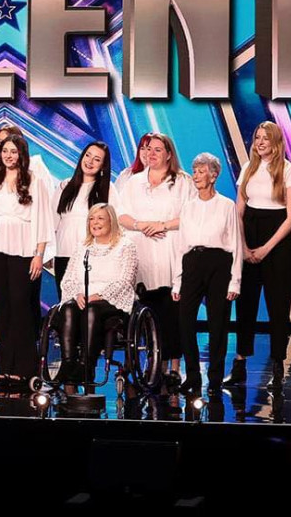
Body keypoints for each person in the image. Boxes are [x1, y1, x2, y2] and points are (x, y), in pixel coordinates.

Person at [0, 134, 51, 385]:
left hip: (24, 249)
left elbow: (42, 218)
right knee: (3, 308)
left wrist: (39, 254)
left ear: (22, 154)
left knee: (20, 307)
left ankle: (26, 367)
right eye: (5, 150)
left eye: (13, 151)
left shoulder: (34, 180)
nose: (8, 155)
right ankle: (5, 366)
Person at [230, 121, 291, 385]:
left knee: (277, 305)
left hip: (277, 241)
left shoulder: (288, 169)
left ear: (276, 142)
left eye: (265, 138)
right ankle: (240, 362)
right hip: (249, 234)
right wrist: (245, 246)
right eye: (257, 137)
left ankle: (278, 366)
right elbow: (239, 210)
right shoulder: (248, 168)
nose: (260, 142)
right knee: (245, 303)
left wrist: (265, 248)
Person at [118, 132, 194, 378]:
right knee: (145, 307)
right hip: (141, 251)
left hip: (170, 250)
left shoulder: (183, 181)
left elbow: (192, 217)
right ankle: (151, 362)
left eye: (158, 150)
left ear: (169, 154)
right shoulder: (133, 182)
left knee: (172, 310)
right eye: (149, 149)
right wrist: (142, 225)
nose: (151, 153)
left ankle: (173, 366)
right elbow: (121, 216)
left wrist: (162, 224)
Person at [172, 153, 242, 396]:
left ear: (214, 175)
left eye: (201, 171)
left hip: (219, 263)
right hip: (192, 262)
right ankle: (192, 375)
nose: (196, 175)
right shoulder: (188, 207)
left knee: (218, 323)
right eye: (195, 170)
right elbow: (181, 245)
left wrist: (235, 281)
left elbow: (235, 245)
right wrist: (177, 282)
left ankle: (214, 378)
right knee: (185, 321)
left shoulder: (226, 205)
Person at [54, 204, 138, 385]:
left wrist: (98, 295)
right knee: (68, 308)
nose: (95, 222)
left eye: (100, 218)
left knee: (91, 309)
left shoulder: (126, 246)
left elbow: (125, 281)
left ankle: (86, 365)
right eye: (92, 218)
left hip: (112, 300)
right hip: (83, 296)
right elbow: (67, 279)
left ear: (111, 221)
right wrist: (77, 294)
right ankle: (68, 365)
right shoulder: (82, 247)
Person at [53, 141, 120, 290]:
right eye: (87, 155)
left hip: (94, 257)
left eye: (97, 159)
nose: (90, 161)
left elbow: (116, 226)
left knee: (89, 306)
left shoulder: (108, 189)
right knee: (66, 306)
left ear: (103, 165)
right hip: (64, 254)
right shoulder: (65, 186)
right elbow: (54, 223)